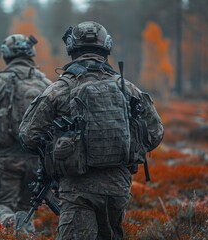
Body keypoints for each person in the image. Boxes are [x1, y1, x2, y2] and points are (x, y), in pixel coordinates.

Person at [19, 21, 164, 239]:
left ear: (72, 48)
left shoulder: (59, 89)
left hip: (77, 187)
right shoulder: (127, 87)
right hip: (118, 187)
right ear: (106, 47)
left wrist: (57, 146)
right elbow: (156, 133)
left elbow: (28, 136)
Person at [0, 34, 52, 233]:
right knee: (26, 207)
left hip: (7, 159)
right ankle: (25, 232)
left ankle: (12, 223)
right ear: (31, 54)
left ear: (6, 55)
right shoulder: (48, 85)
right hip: (38, 161)